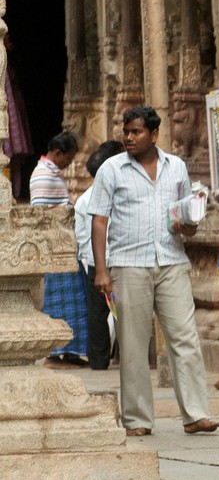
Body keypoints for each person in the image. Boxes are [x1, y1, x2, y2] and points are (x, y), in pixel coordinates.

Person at [89, 106, 219, 437]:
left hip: (171, 261)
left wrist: (189, 221)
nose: (129, 138)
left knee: (186, 337)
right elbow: (99, 220)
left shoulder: (176, 167)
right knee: (133, 343)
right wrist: (101, 270)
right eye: (126, 132)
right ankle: (137, 419)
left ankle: (195, 414)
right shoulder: (111, 169)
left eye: (136, 132)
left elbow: (185, 219)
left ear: (154, 134)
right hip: (127, 264)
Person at [31, 131, 86, 368]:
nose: (69, 164)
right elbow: (41, 215)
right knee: (59, 302)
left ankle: (71, 352)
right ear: (58, 153)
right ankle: (55, 354)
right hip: (54, 247)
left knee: (74, 302)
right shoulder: (44, 175)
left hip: (64, 245)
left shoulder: (51, 173)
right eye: (68, 159)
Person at [75, 140, 125, 370]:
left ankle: (100, 359)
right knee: (114, 309)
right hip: (106, 260)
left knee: (101, 311)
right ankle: (116, 356)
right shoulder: (93, 199)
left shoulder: (84, 199)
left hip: (97, 261)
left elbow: (82, 236)